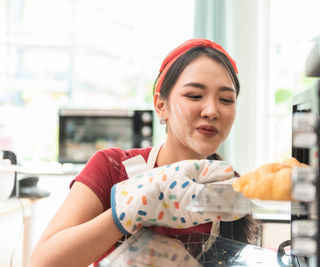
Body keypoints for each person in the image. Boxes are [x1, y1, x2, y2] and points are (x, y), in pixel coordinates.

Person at [29, 39, 257, 267]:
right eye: (194, 96)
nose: (211, 111)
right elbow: (41, 263)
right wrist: (128, 209)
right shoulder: (113, 167)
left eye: (226, 100)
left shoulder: (228, 193)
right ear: (160, 106)